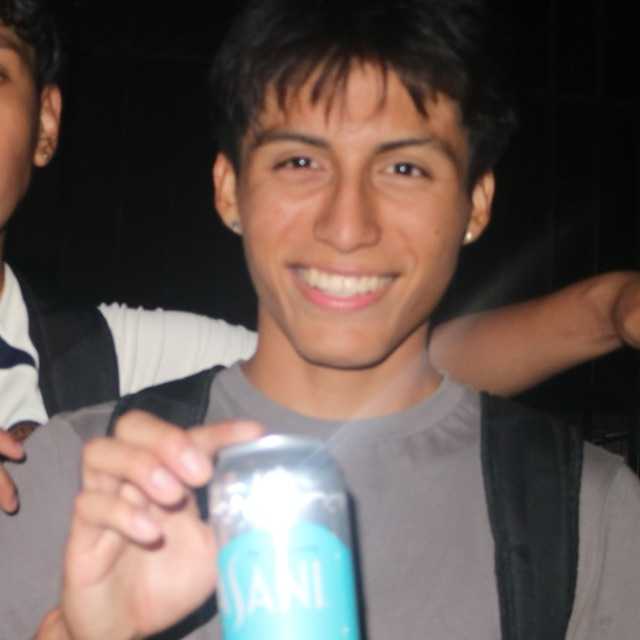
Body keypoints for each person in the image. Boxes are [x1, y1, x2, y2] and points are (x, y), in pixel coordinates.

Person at [3, 0, 639, 638]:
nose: (347, 225)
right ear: (230, 189)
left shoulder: (585, 515)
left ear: (475, 203)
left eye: (404, 168)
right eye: (300, 163)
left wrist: (609, 308)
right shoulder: (73, 482)